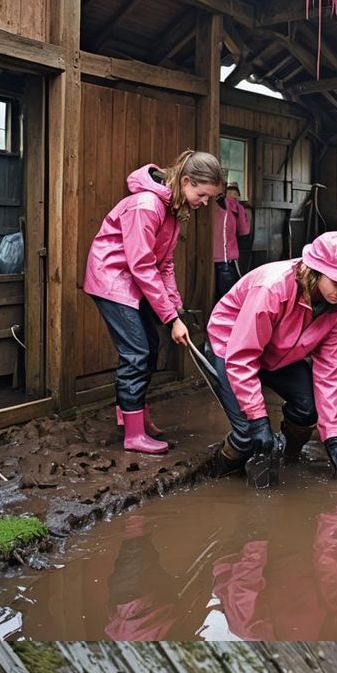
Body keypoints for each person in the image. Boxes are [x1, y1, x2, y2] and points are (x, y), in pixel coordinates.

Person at [82, 149, 225, 453]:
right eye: (202, 194)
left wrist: (177, 310)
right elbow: (142, 266)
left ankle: (131, 416)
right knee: (137, 351)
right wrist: (171, 319)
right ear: (186, 181)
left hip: (133, 280)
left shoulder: (173, 210)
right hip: (112, 279)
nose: (204, 202)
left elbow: (165, 264)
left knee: (149, 346)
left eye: (210, 198)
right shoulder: (147, 206)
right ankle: (133, 435)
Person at [206, 232, 337, 480]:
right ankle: (215, 476)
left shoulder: (336, 310)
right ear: (315, 270)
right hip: (232, 348)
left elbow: (330, 376)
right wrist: (259, 419)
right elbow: (242, 356)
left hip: (279, 354)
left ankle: (288, 457)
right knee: (248, 435)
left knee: (308, 409)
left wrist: (336, 441)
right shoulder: (273, 288)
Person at [214, 182, 253, 300]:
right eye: (232, 192)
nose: (234, 196)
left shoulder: (217, 204)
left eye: (235, 193)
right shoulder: (234, 207)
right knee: (229, 297)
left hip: (216, 257)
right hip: (226, 258)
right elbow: (244, 231)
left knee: (221, 295)